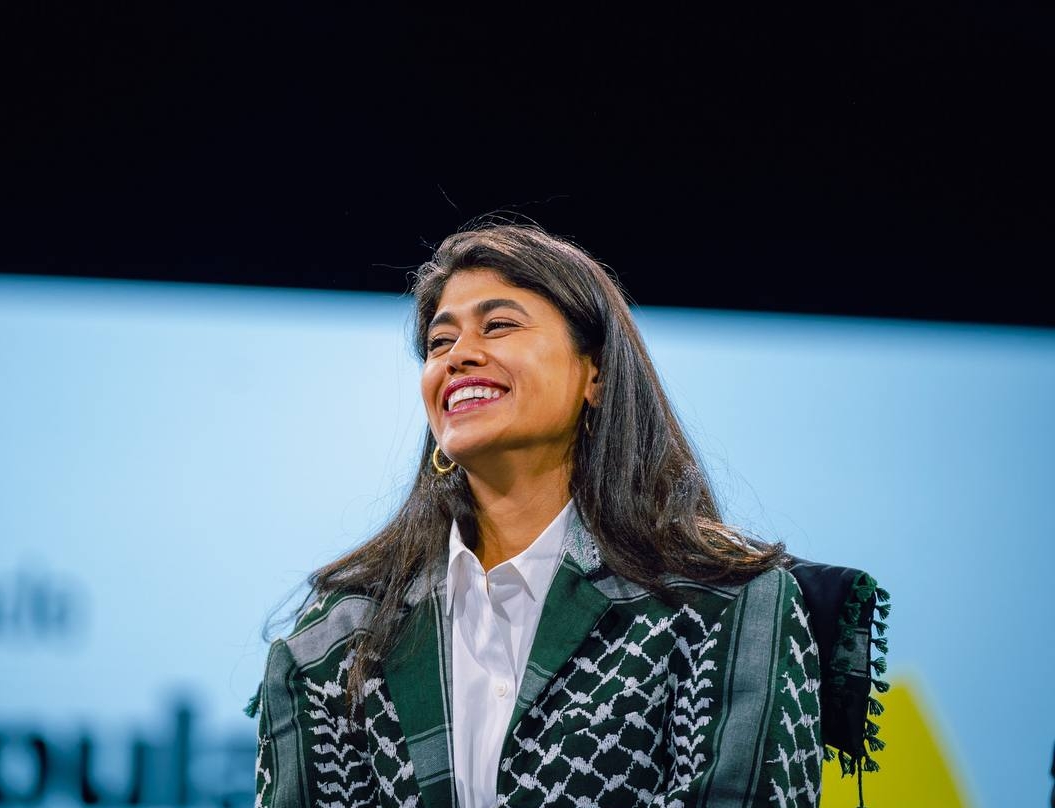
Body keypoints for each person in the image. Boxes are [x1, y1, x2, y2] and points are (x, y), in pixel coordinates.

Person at [252, 222, 823, 807]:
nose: (459, 356)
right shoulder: (339, 639)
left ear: (595, 373)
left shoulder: (726, 600)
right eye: (439, 343)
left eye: (498, 326)